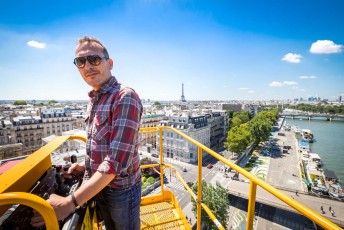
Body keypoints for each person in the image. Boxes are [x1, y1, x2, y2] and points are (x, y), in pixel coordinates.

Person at [31, 36, 143, 229]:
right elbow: (103, 145)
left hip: (120, 191)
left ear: (110, 63)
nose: (87, 65)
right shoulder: (95, 98)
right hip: (99, 185)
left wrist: (69, 203)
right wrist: (85, 165)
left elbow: (115, 163)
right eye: (80, 61)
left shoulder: (125, 97)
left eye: (94, 59)